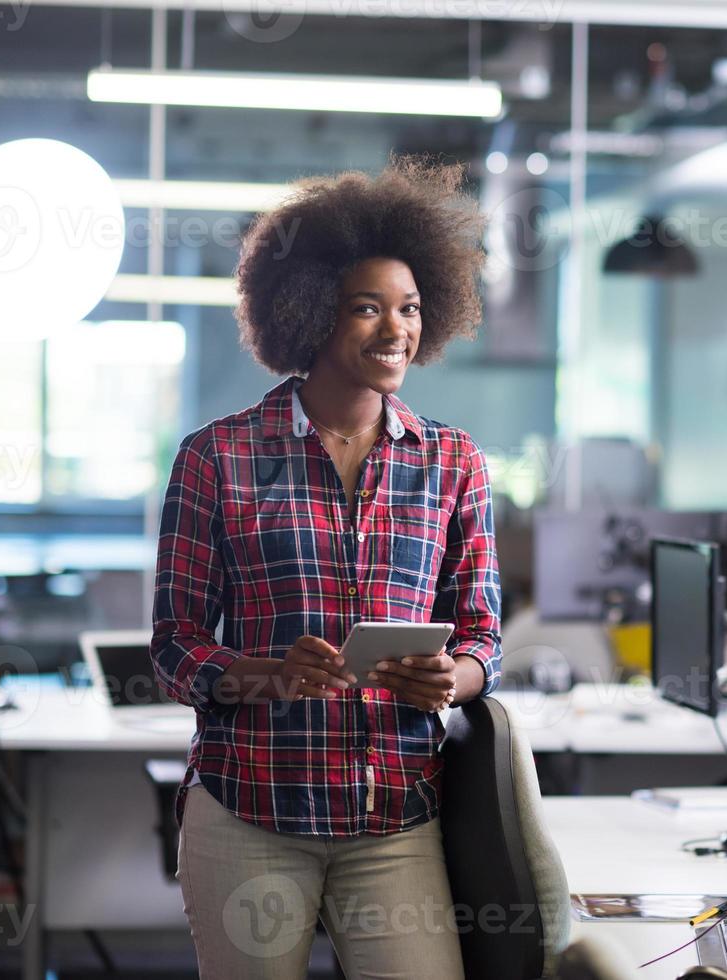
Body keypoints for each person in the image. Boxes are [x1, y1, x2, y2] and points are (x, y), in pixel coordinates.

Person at [150, 157, 501, 979]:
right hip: (250, 812)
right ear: (308, 313)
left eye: (410, 308)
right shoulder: (219, 456)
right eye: (367, 308)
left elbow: (484, 632)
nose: (395, 330)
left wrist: (455, 678)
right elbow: (173, 646)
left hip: (395, 816)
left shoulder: (451, 462)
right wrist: (263, 673)